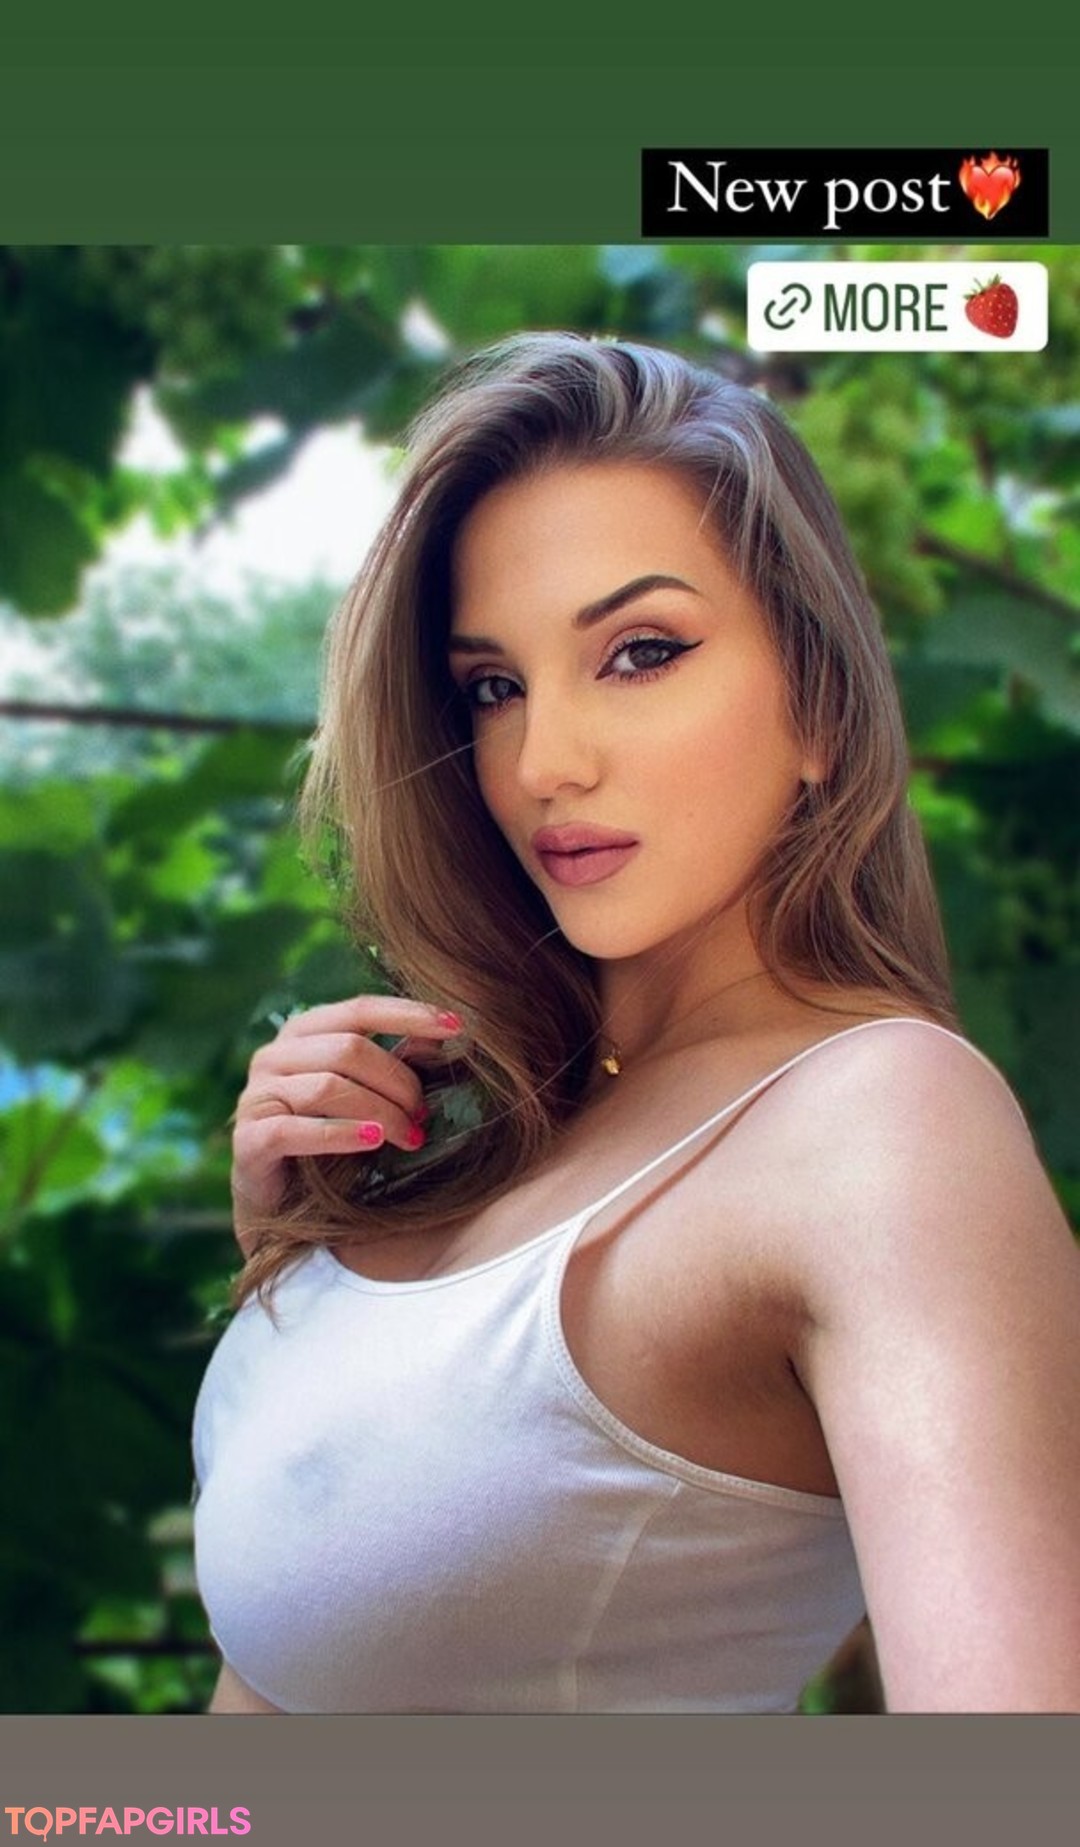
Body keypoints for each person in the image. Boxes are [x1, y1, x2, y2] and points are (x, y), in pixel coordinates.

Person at [192, 331, 1080, 1714]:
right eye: (494, 688)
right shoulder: (509, 1115)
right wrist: (297, 1263)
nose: (545, 762)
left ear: (818, 705)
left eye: (640, 653)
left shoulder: (886, 1122)